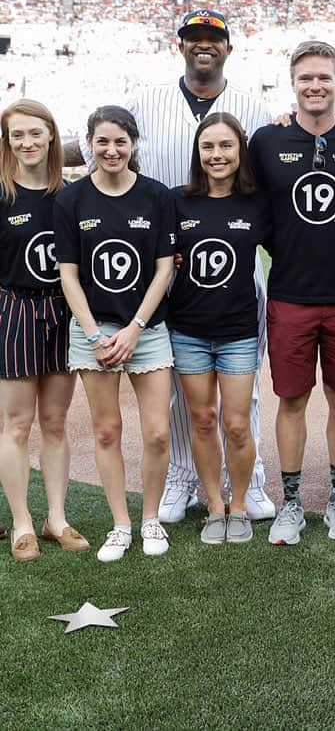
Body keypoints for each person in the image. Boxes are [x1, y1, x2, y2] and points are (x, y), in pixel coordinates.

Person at [64, 8, 275, 524]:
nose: (204, 46)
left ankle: (246, 480)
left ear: (229, 48)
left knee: (239, 389)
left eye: (214, 39)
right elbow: (100, 147)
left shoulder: (255, 106)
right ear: (180, 45)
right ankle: (183, 478)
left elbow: (276, 174)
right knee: (184, 392)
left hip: (237, 265)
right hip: (161, 261)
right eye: (194, 38)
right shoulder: (145, 99)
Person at [249, 41, 335, 545]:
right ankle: (291, 504)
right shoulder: (266, 140)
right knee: (292, 399)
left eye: (323, 77)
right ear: (293, 83)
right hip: (290, 294)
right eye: (306, 78)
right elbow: (248, 202)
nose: (315, 86)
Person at [55, 106, 176, 562]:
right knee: (106, 432)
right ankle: (120, 525)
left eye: (120, 142)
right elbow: (69, 275)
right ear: (88, 143)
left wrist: (135, 328)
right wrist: (93, 333)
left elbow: (164, 269)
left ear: (134, 144)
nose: (111, 150)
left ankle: (150, 520)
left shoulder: (156, 196)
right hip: (93, 332)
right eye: (102, 141)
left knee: (158, 433)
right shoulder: (71, 200)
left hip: (146, 329)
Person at [168, 112, 271, 545]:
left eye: (226, 145)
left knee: (237, 424)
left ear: (240, 150)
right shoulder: (176, 201)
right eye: (208, 146)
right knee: (203, 420)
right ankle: (213, 505)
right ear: (197, 152)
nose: (217, 155)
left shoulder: (257, 202)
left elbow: (296, 242)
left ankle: (241, 504)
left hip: (238, 333)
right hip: (188, 330)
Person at [0, 100, 87, 562]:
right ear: (7, 142)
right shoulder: (2, 194)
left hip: (62, 313)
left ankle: (57, 518)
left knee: (55, 422)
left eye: (35, 133)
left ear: (52, 135)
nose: (27, 143)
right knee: (16, 424)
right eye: (17, 136)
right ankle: (22, 523)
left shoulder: (69, 196)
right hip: (15, 312)